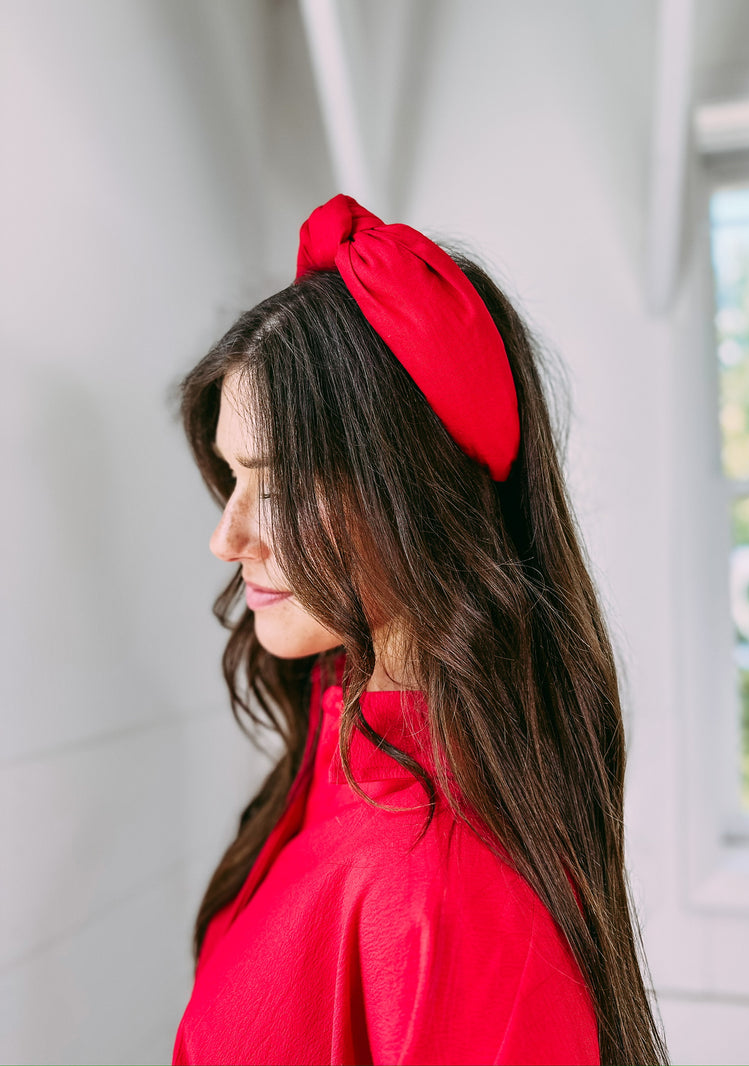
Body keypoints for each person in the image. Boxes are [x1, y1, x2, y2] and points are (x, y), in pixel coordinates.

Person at [171, 194, 669, 1066]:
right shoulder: (339, 747)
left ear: (415, 495)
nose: (227, 537)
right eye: (231, 478)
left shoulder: (440, 888)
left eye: (277, 486)